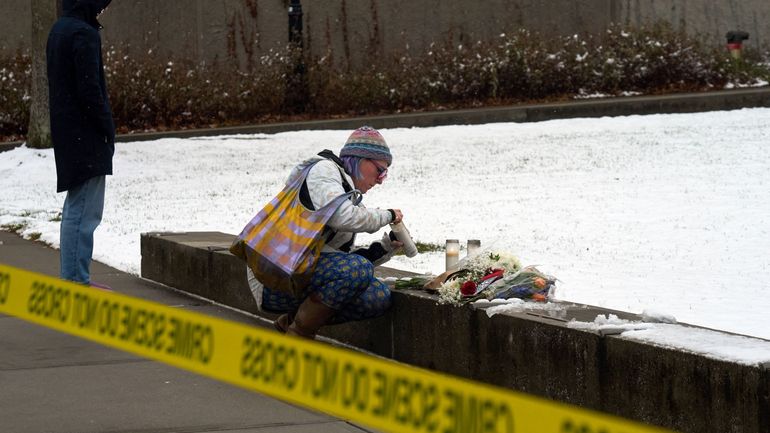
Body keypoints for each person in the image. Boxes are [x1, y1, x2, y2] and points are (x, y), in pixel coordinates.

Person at [247, 126, 404, 339]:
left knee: (378, 297)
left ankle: (291, 322)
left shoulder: (346, 195)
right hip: (272, 275)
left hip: (301, 274)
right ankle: (299, 336)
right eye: (380, 170)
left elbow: (339, 261)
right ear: (360, 160)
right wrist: (388, 215)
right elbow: (343, 217)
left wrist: (384, 248)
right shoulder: (323, 171)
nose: (380, 179)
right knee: (358, 269)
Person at [46, 0, 115, 285]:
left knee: (76, 207)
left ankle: (73, 277)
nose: (101, 10)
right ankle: (75, 281)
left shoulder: (59, 29)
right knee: (85, 211)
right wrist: (107, 127)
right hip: (86, 136)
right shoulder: (84, 34)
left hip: (67, 132)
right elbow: (90, 90)